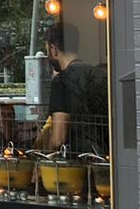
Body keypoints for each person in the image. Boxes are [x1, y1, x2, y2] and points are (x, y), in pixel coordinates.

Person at [39, 22, 109, 156]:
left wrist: (45, 153)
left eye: (47, 49)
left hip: (78, 161)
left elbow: (58, 138)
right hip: (104, 159)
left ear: (54, 49)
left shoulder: (62, 81)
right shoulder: (100, 75)